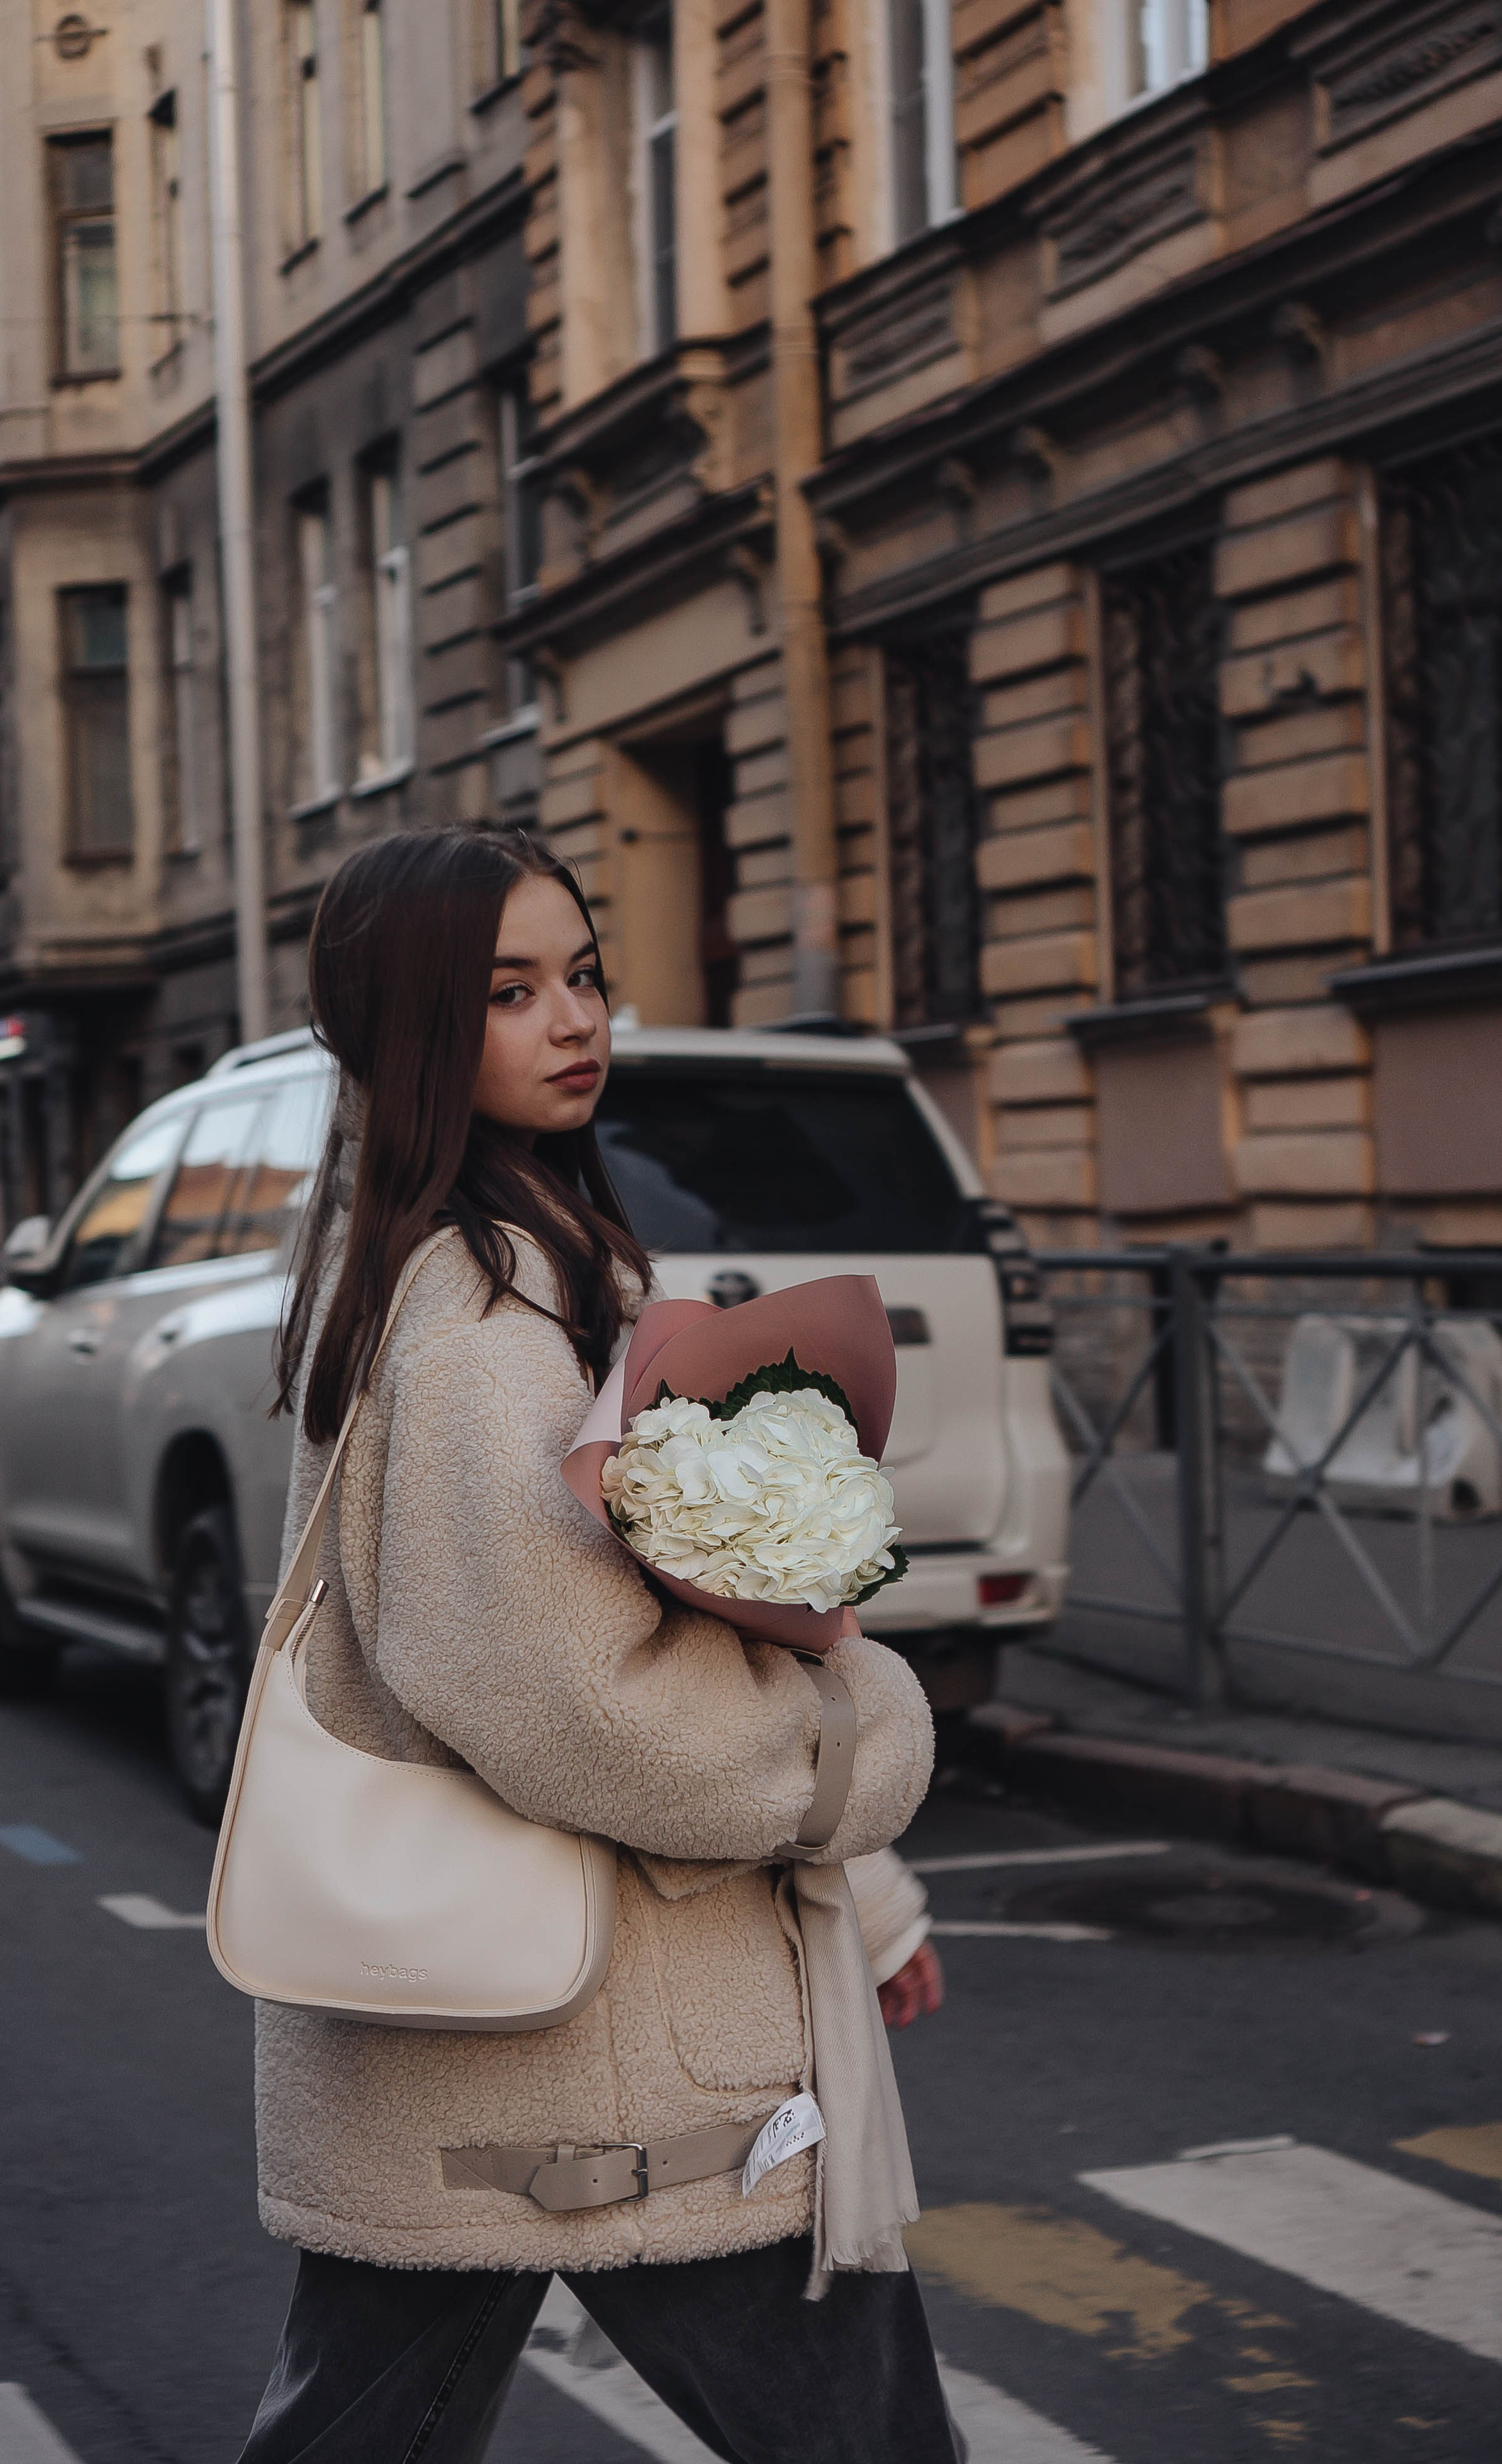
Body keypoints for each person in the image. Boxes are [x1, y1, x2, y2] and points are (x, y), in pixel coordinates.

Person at [237, 826, 955, 2463]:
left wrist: (875, 1896)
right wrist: (865, 1746)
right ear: (409, 1029)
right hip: (621, 2069)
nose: (573, 1021)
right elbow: (572, 1698)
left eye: (582, 976)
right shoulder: (488, 1319)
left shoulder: (446, 1262)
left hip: (477, 2046)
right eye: (508, 992)